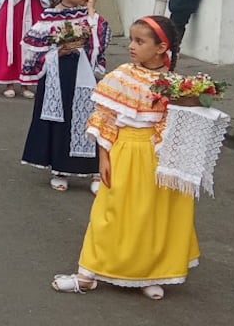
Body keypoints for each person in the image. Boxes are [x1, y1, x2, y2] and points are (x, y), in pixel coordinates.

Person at [51, 16, 200, 300]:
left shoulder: (175, 84)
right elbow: (104, 118)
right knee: (110, 213)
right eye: (131, 39)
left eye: (139, 41)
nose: (131, 46)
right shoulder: (121, 77)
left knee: (154, 215)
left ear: (161, 47)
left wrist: (192, 102)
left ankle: (150, 272)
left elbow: (180, 124)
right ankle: (88, 274)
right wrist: (103, 158)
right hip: (125, 151)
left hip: (158, 155)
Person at [20, 0, 111, 193]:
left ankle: (94, 170)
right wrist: (57, 53)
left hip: (84, 74)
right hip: (58, 74)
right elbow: (33, 48)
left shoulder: (89, 16)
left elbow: (100, 40)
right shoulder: (49, 17)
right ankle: (60, 168)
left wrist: (91, 12)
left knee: (90, 118)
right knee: (61, 120)